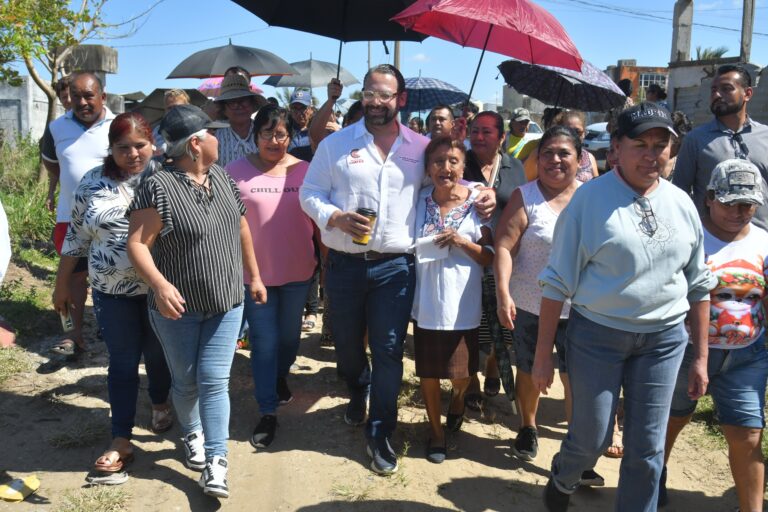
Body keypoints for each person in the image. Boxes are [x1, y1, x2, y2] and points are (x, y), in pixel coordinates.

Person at [300, 64, 495, 476]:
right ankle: (358, 386)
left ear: (400, 100)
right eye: (369, 93)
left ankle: (380, 430)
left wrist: (482, 192)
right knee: (349, 349)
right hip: (346, 266)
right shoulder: (336, 144)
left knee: (389, 350)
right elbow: (309, 193)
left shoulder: (419, 147)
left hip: (396, 268)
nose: (375, 101)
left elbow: (450, 179)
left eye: (385, 95)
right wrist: (334, 216)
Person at [535, 102, 716, 512]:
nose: (652, 155)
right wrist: (543, 355)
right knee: (592, 437)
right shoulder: (588, 201)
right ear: (616, 147)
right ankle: (565, 475)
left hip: (664, 341)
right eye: (641, 144)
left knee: (647, 447)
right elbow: (556, 281)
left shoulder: (683, 203)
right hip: (597, 336)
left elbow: (699, 284)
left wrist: (701, 357)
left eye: (662, 145)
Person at [127, 104, 266, 499]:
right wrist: (158, 284)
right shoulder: (158, 186)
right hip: (178, 309)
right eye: (212, 133)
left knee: (214, 379)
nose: (218, 139)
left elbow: (241, 227)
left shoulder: (221, 177)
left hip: (226, 302)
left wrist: (253, 276)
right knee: (186, 381)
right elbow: (136, 244)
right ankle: (191, 433)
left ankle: (217, 462)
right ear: (195, 143)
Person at [52, 112, 172, 483]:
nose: (133, 154)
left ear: (153, 145)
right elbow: (76, 238)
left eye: (140, 146)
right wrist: (61, 284)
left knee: (157, 354)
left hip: (159, 289)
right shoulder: (92, 182)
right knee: (121, 362)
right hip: (111, 291)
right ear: (111, 149)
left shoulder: (167, 178)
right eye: (123, 148)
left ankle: (160, 402)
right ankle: (121, 437)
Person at [495, 125, 602, 487]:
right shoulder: (524, 197)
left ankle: (575, 450)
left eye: (564, 153)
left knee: (578, 380)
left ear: (579, 158)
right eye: (547, 153)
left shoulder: (593, 198)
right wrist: (503, 292)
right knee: (528, 371)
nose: (555, 160)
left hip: (583, 309)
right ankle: (528, 425)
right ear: (537, 159)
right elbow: (505, 247)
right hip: (529, 304)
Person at [661, 159, 768, 511]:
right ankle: (655, 472)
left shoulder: (764, 242)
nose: (739, 212)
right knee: (674, 417)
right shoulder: (687, 236)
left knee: (748, 434)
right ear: (709, 198)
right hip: (685, 351)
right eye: (730, 203)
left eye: (748, 205)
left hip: (747, 356)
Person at [227, 105, 317, 449]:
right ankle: (267, 411)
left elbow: (319, 220)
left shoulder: (306, 171)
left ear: (290, 137)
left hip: (299, 273)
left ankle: (281, 375)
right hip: (255, 277)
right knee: (263, 345)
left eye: (281, 134)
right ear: (256, 136)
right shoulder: (234, 171)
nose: (275, 141)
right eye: (267, 133)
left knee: (289, 340)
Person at [412, 136, 493, 464]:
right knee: (429, 374)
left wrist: (460, 241)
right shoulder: (418, 200)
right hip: (427, 304)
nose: (446, 168)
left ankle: (458, 400)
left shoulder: (477, 201)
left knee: (461, 375)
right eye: (438, 161)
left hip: (463, 306)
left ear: (463, 166)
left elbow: (488, 256)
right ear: (428, 167)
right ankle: (436, 432)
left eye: (453, 161)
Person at [40, 71, 116, 358]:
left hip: (113, 219)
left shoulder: (119, 125)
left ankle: (112, 328)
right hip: (70, 218)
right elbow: (53, 165)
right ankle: (72, 336)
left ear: (102, 97)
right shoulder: (56, 128)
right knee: (73, 277)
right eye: (76, 96)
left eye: (89, 95)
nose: (82, 102)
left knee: (111, 273)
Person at [462, 111, 526, 409]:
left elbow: (522, 207)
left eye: (487, 132)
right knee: (471, 323)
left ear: (502, 137)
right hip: (466, 256)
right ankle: (471, 379)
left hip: (505, 257)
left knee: (502, 321)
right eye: (475, 131)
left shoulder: (515, 168)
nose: (479, 137)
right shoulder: (460, 161)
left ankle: (492, 367)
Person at [673, 63, 768, 232]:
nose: (717, 94)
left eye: (726, 89)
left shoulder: (765, 136)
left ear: (747, 94)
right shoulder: (695, 140)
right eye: (713, 89)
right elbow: (680, 194)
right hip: (712, 246)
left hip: (761, 247)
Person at [522, 110, 598, 183]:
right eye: (567, 130)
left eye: (577, 131)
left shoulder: (590, 158)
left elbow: (597, 187)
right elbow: (524, 180)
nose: (573, 135)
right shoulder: (540, 155)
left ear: (584, 133)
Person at [214, 73, 266, 168]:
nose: (239, 106)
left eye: (244, 100)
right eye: (232, 102)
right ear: (224, 108)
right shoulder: (215, 135)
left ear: (252, 104)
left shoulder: (264, 132)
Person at [153, 89, 190, 157]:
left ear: (186, 108)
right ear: (165, 110)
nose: (174, 111)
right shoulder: (158, 131)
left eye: (178, 107)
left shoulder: (196, 129)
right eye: (170, 108)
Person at [662, 111, 692, 180]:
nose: (677, 148)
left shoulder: (686, 161)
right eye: (675, 142)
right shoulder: (652, 157)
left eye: (682, 143)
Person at [287, 89, 315, 161]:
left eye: (303, 108)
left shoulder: (317, 132)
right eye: (295, 108)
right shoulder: (285, 130)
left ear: (311, 110)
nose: (299, 113)